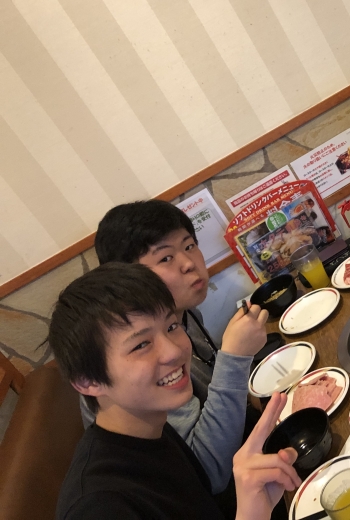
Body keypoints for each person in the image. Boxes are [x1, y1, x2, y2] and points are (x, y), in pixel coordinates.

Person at [49, 263, 301, 519]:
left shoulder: (153, 428)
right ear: (87, 381)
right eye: (141, 345)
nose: (174, 351)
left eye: (171, 327)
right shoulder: (98, 507)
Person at [81, 199, 269, 495]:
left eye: (189, 245)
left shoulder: (179, 313)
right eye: (166, 258)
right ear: (127, 276)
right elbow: (209, 472)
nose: (189, 263)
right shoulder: (137, 366)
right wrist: (235, 357)